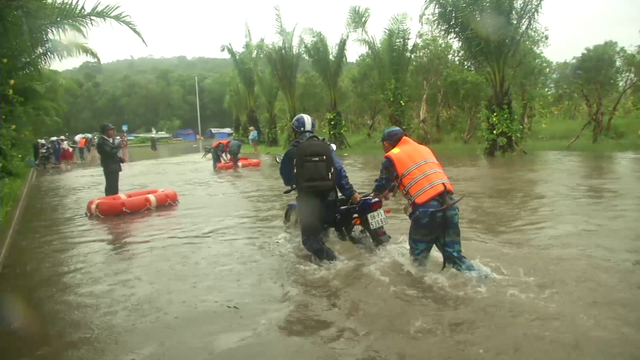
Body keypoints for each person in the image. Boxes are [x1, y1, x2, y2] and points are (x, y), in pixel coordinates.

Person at [371, 127, 475, 272]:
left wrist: (376, 194)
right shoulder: (423, 149)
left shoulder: (391, 157)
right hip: (449, 205)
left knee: (416, 263)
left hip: (427, 212)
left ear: (387, 144)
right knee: (455, 257)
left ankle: (418, 291)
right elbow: (416, 176)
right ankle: (483, 278)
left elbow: (382, 184)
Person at [279, 114, 361, 262]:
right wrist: (351, 194)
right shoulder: (326, 147)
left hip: (309, 204)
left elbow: (286, 177)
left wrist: (294, 181)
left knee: (309, 241)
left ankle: (336, 264)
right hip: (330, 200)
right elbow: (339, 172)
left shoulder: (293, 151)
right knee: (325, 233)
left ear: (296, 131)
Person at [97, 124, 125, 196]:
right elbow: (109, 153)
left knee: (114, 186)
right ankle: (110, 201)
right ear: (106, 131)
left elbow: (112, 151)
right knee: (111, 186)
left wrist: (120, 159)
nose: (113, 132)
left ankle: (114, 199)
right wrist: (119, 146)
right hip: (109, 167)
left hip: (113, 166)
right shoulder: (102, 141)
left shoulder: (108, 141)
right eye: (111, 130)